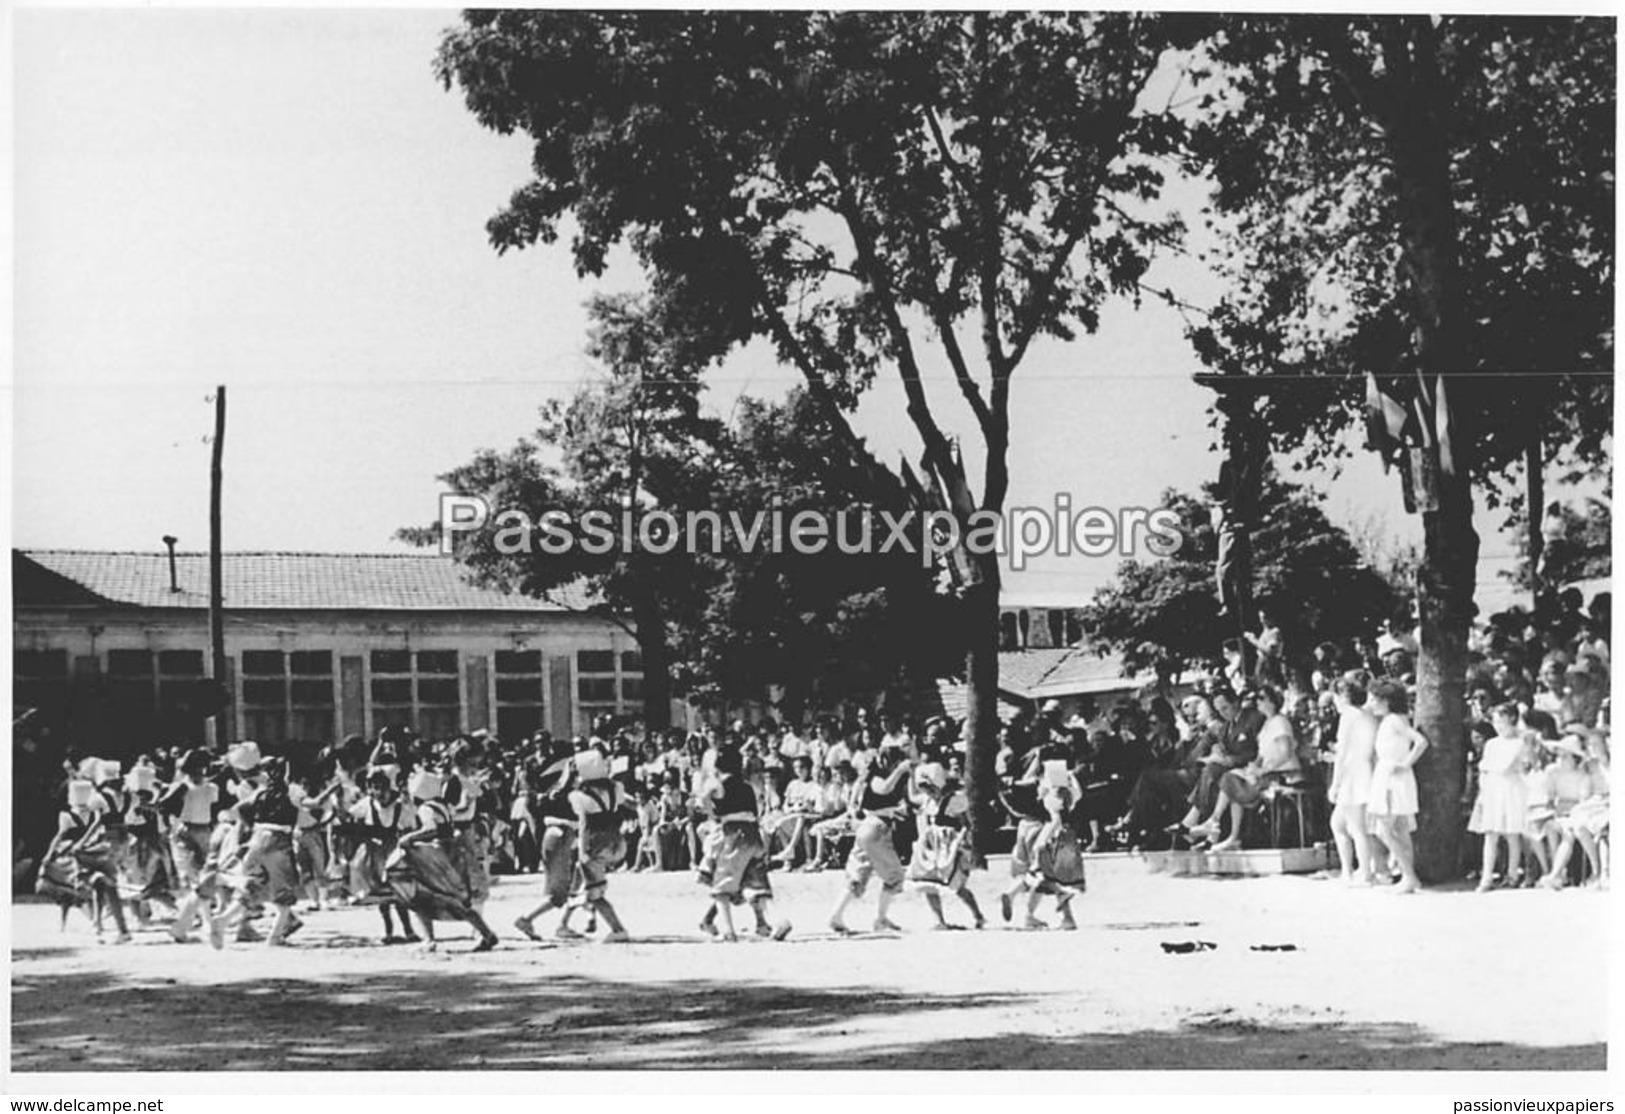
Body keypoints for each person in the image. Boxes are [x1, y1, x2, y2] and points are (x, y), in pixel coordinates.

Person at [386, 768, 499, 952]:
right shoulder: (443, 806)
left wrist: (410, 838)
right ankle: (486, 934)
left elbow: (431, 829)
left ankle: (428, 940)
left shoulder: (426, 808)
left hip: (436, 858)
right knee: (458, 900)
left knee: (420, 898)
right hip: (451, 854)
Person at [695, 747, 792, 941]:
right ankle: (779, 921)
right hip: (753, 835)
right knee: (757, 886)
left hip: (733, 835)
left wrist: (708, 802)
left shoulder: (718, 784)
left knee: (722, 886)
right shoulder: (747, 785)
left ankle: (728, 931)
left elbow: (702, 802)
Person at [1190, 686, 1301, 851]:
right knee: (1232, 779)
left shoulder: (1280, 722)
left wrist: (1264, 770)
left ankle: (1215, 823)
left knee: (1230, 780)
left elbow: (1285, 753)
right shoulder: (1267, 725)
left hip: (1282, 774)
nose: (1257, 702)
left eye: (1261, 698)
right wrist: (1254, 766)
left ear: (1272, 702)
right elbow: (1262, 754)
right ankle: (1229, 834)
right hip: (1266, 772)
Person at [211, 755, 303, 949]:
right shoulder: (292, 791)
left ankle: (223, 920)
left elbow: (239, 810)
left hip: (257, 839)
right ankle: (275, 936)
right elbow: (313, 804)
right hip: (280, 841)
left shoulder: (260, 792)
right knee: (284, 894)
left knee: (251, 888)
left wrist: (253, 826)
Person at [828, 740, 914, 935]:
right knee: (895, 877)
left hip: (867, 827)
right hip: (876, 828)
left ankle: (836, 915)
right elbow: (883, 789)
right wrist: (900, 771)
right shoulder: (877, 777)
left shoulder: (870, 778)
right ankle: (880, 918)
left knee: (857, 875)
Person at [39, 778, 132, 943]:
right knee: (106, 886)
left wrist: (49, 855)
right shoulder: (122, 798)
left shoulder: (73, 813)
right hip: (113, 845)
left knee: (86, 882)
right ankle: (108, 924)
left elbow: (62, 835)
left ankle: (110, 926)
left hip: (85, 853)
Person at [1365, 680, 1429, 895]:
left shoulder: (1393, 721)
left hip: (1392, 777)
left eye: (1375, 699)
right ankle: (1407, 877)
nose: (1371, 703)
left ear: (1386, 701)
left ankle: (1410, 876)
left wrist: (1405, 764)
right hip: (1391, 775)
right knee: (1401, 830)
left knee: (1385, 830)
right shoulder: (1396, 719)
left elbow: (1420, 742)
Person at [513, 748, 583, 941]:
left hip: (553, 836)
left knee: (574, 883)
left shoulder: (555, 792)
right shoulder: (573, 795)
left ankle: (563, 923)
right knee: (559, 893)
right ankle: (527, 919)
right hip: (563, 836)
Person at [905, 762, 984, 930]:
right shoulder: (927, 800)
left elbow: (965, 823)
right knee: (927, 882)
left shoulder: (954, 799)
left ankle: (978, 915)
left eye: (930, 787)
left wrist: (963, 841)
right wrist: (911, 775)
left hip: (949, 845)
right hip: (931, 846)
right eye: (924, 788)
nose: (927, 791)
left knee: (957, 885)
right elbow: (912, 797)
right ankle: (939, 920)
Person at [344, 767, 419, 944]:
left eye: (381, 787)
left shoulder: (400, 805)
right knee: (381, 894)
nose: (378, 793)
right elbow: (350, 816)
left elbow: (411, 825)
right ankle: (388, 930)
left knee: (399, 890)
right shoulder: (367, 804)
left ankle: (408, 929)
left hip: (394, 850)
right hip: (374, 851)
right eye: (374, 787)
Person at [566, 748, 633, 943]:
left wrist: (582, 850)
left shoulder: (579, 797)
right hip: (616, 841)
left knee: (593, 892)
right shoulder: (616, 788)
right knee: (592, 887)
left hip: (596, 843)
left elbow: (584, 825)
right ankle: (570, 920)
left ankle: (618, 929)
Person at [1326, 674, 1379, 885]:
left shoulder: (1348, 715)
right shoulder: (1367, 715)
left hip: (1353, 774)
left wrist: (1335, 783)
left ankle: (1364, 872)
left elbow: (1343, 753)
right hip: (1365, 770)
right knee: (1339, 824)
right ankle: (1349, 871)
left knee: (1356, 827)